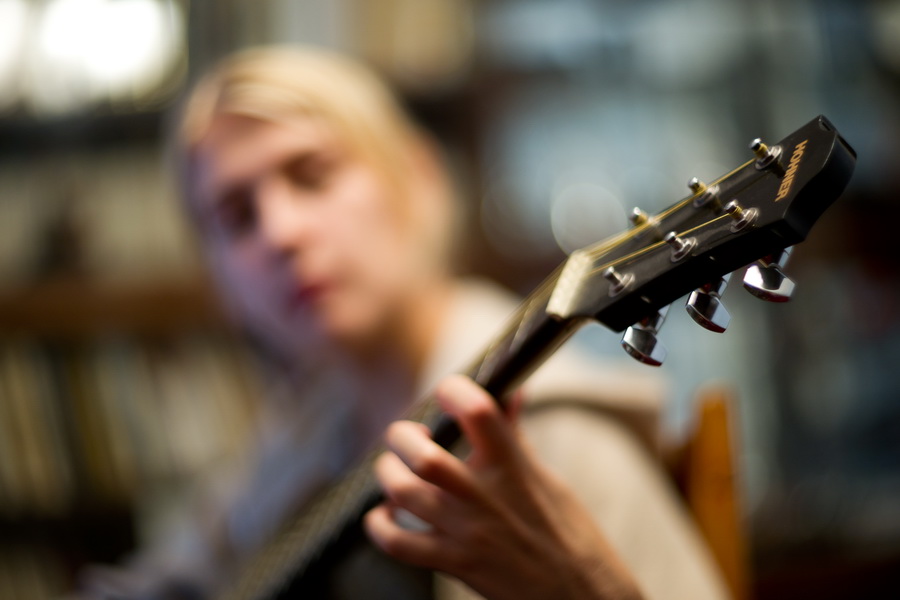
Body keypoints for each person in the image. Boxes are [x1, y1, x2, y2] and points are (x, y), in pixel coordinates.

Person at [80, 46, 728, 600]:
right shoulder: (311, 424)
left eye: (311, 176)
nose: (280, 232)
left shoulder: (546, 431)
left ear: (418, 180)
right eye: (237, 217)